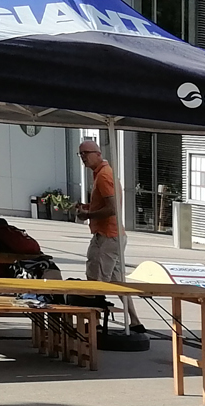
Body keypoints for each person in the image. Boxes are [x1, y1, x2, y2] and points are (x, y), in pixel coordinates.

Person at [75, 138, 141, 333]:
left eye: (86, 153)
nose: (83, 157)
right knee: (115, 280)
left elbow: (112, 209)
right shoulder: (101, 173)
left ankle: (94, 323)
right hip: (109, 235)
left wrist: (87, 215)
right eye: (80, 154)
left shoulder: (104, 176)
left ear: (98, 154)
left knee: (97, 279)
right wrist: (88, 207)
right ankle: (135, 321)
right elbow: (106, 205)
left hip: (108, 236)